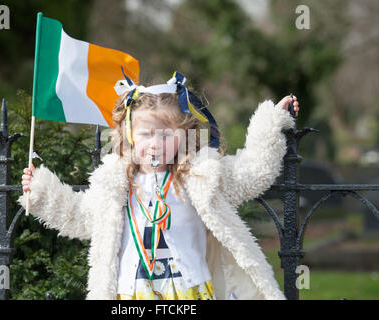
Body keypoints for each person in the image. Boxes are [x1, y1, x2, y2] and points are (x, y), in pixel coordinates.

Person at [19, 71, 300, 300]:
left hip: (190, 293)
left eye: (166, 135)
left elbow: (251, 173)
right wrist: (41, 190)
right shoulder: (115, 183)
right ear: (129, 134)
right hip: (129, 296)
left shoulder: (201, 175)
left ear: (183, 135)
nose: (155, 144)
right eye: (146, 134)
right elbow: (80, 217)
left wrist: (272, 121)